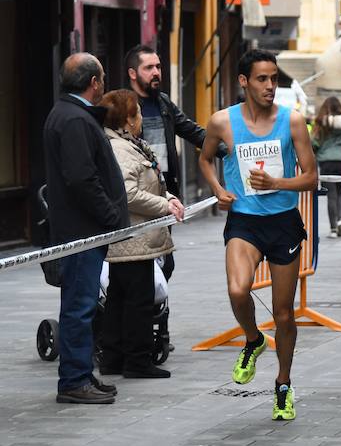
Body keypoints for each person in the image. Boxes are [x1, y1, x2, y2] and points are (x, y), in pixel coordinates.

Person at [198, 49, 318, 421]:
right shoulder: (222, 122)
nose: (270, 86)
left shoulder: (292, 121)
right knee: (238, 289)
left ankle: (283, 385)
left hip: (282, 222)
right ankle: (252, 338)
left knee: (283, 314)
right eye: (262, 79)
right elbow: (204, 159)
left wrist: (278, 182)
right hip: (244, 222)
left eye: (274, 79)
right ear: (244, 81)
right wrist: (218, 189)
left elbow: (311, 178)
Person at [44, 53, 128, 404]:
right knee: (79, 306)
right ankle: (74, 381)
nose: (104, 82)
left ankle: (80, 375)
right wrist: (110, 216)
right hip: (81, 233)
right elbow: (82, 178)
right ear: (94, 82)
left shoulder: (68, 114)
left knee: (82, 303)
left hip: (80, 230)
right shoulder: (75, 119)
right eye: (103, 77)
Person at [99, 89, 185, 378]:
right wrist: (165, 205)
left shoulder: (126, 144)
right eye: (136, 113)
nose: (140, 119)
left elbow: (150, 183)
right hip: (134, 237)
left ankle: (113, 358)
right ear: (126, 118)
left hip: (131, 238)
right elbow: (128, 193)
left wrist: (169, 196)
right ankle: (137, 360)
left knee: (119, 297)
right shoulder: (120, 149)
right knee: (138, 299)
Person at [125, 45, 225, 200]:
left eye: (158, 67)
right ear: (132, 73)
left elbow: (192, 131)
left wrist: (228, 151)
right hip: (140, 190)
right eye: (149, 68)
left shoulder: (163, 102)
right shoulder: (123, 106)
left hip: (166, 188)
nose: (156, 72)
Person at [313, 97, 341, 238]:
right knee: (340, 194)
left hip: (326, 162)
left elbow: (315, 142)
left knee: (331, 195)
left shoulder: (321, 122)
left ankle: (333, 229)